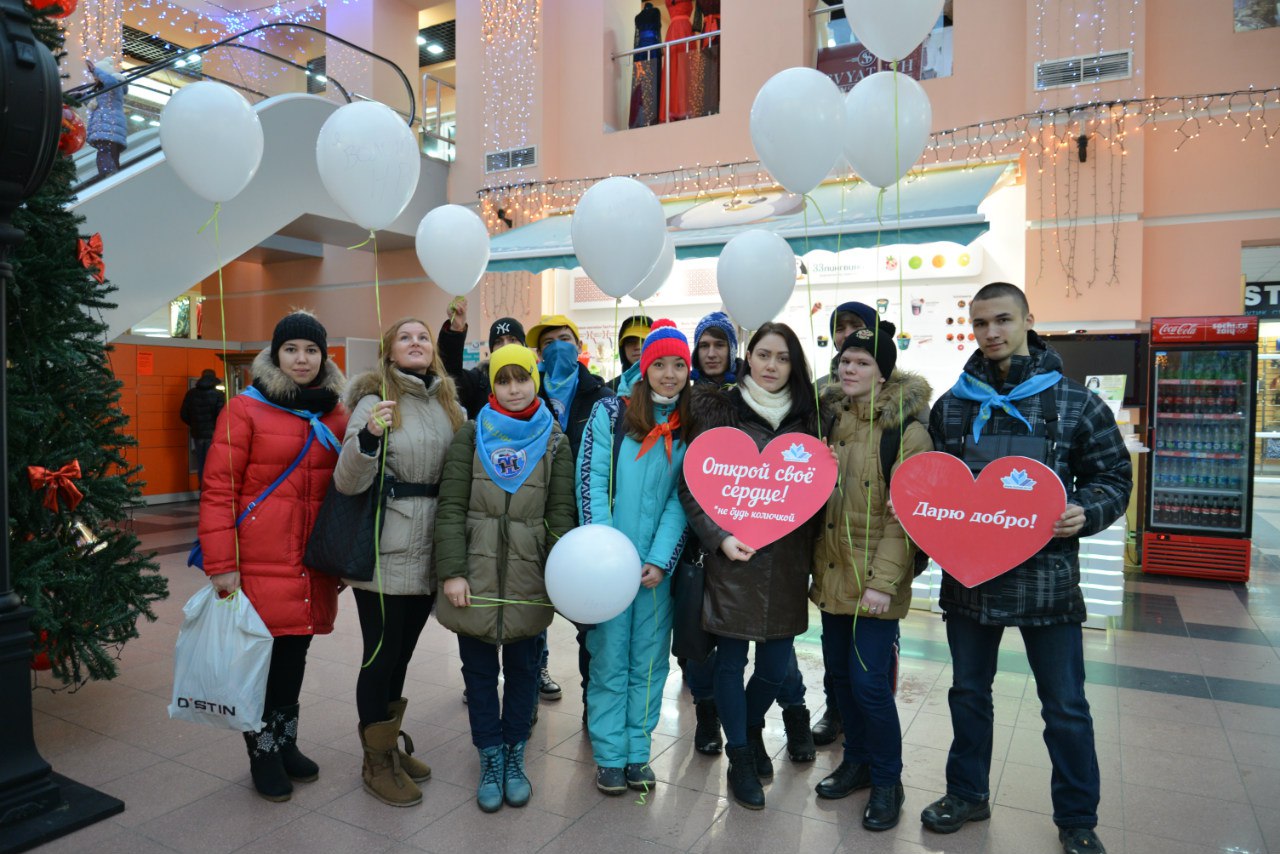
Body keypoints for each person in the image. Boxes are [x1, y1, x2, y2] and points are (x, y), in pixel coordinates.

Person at [921, 282, 1131, 854]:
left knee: (1065, 708)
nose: (991, 332)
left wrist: (1085, 511)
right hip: (971, 583)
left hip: (1049, 584)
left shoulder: (1076, 403)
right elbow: (936, 484)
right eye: (980, 323)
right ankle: (966, 794)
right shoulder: (953, 405)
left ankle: (1077, 818)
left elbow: (1114, 476)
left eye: (1003, 320)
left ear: (1028, 320)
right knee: (968, 694)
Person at [198, 311, 347, 803]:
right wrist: (222, 564)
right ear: (276, 354)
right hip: (257, 561)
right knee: (260, 663)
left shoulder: (336, 414)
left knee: (293, 658)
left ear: (324, 356)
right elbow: (219, 489)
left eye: (311, 350)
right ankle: (262, 753)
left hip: (310, 563)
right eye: (291, 349)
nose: (302, 359)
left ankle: (285, 743)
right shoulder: (244, 409)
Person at [680, 322, 821, 810]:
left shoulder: (811, 418)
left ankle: (752, 724)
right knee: (731, 663)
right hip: (734, 562)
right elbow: (691, 485)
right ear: (749, 358)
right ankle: (740, 756)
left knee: (775, 668)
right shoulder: (721, 411)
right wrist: (720, 538)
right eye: (763, 355)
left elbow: (819, 492)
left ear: (794, 364)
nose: (771, 366)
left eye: (782, 357)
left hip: (787, 564)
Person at [434, 345, 575, 812]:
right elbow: (451, 508)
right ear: (492, 385)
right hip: (474, 577)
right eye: (503, 380)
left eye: (522, 378)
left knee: (523, 672)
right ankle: (489, 757)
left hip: (529, 577)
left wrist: (557, 576)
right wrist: (452, 572)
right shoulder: (471, 434)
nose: (514, 389)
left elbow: (560, 516)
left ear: (536, 380)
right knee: (477, 674)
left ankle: (515, 755)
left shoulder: (554, 440)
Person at [333, 317, 465, 807]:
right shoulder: (373, 400)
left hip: (431, 548)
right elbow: (347, 480)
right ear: (389, 351)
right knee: (380, 656)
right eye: (405, 337)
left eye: (423, 337)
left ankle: (387, 746)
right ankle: (375, 761)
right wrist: (369, 435)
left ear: (434, 350)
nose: (416, 343)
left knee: (403, 655)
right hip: (387, 550)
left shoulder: (449, 405)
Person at [811, 321, 932, 832]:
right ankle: (856, 762)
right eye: (845, 361)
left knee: (869, 684)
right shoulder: (829, 420)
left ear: (883, 374)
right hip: (833, 573)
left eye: (862, 363)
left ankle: (887, 781)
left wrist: (883, 583)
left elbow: (905, 517)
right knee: (841, 680)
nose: (850, 369)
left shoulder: (907, 431)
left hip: (876, 584)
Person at [577, 320, 690, 795]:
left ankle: (637, 752)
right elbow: (591, 482)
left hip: (654, 574)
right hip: (611, 568)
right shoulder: (611, 413)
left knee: (649, 662)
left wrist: (661, 559)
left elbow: (682, 499)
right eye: (660, 364)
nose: (670, 374)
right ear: (644, 368)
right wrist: (608, 556)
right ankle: (608, 755)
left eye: (679, 365)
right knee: (608, 659)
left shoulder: (690, 422)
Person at [529, 313, 615, 712]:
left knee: (589, 622)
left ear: (578, 347)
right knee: (531, 614)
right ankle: (531, 686)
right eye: (548, 343)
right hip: (534, 518)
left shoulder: (600, 395)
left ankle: (592, 703)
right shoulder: (527, 394)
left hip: (584, 523)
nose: (557, 348)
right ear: (538, 354)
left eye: (564, 339)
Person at [810, 299, 880, 749]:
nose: (845, 334)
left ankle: (870, 740)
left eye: (856, 326)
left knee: (870, 664)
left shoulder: (895, 399)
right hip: (830, 538)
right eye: (840, 327)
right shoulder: (822, 393)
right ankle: (835, 712)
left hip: (873, 547)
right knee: (834, 648)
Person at [437, 297, 525, 419]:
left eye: (513, 339)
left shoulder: (538, 377)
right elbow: (450, 375)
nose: (505, 346)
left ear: (523, 345)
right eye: (498, 342)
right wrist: (455, 331)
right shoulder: (479, 381)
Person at [815, 301, 878, 392]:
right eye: (839, 329)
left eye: (856, 327)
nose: (847, 334)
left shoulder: (899, 391)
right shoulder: (817, 391)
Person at [180, 368, 224, 484]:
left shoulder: (191, 394)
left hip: (197, 434)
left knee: (201, 461)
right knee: (213, 462)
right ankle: (210, 488)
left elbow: (183, 414)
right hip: (213, 434)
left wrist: (194, 424)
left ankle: (202, 488)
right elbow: (221, 416)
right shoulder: (218, 395)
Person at [85, 58, 128, 177]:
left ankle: (108, 177)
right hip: (108, 130)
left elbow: (110, 81)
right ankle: (113, 177)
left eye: (96, 75)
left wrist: (95, 69)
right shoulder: (104, 91)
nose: (95, 78)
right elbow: (96, 106)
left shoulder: (114, 84)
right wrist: (81, 96)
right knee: (110, 156)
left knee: (104, 156)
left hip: (110, 129)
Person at [605, 315, 652, 392]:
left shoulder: (667, 384)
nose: (638, 347)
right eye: (631, 342)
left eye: (644, 341)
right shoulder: (610, 388)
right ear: (622, 349)